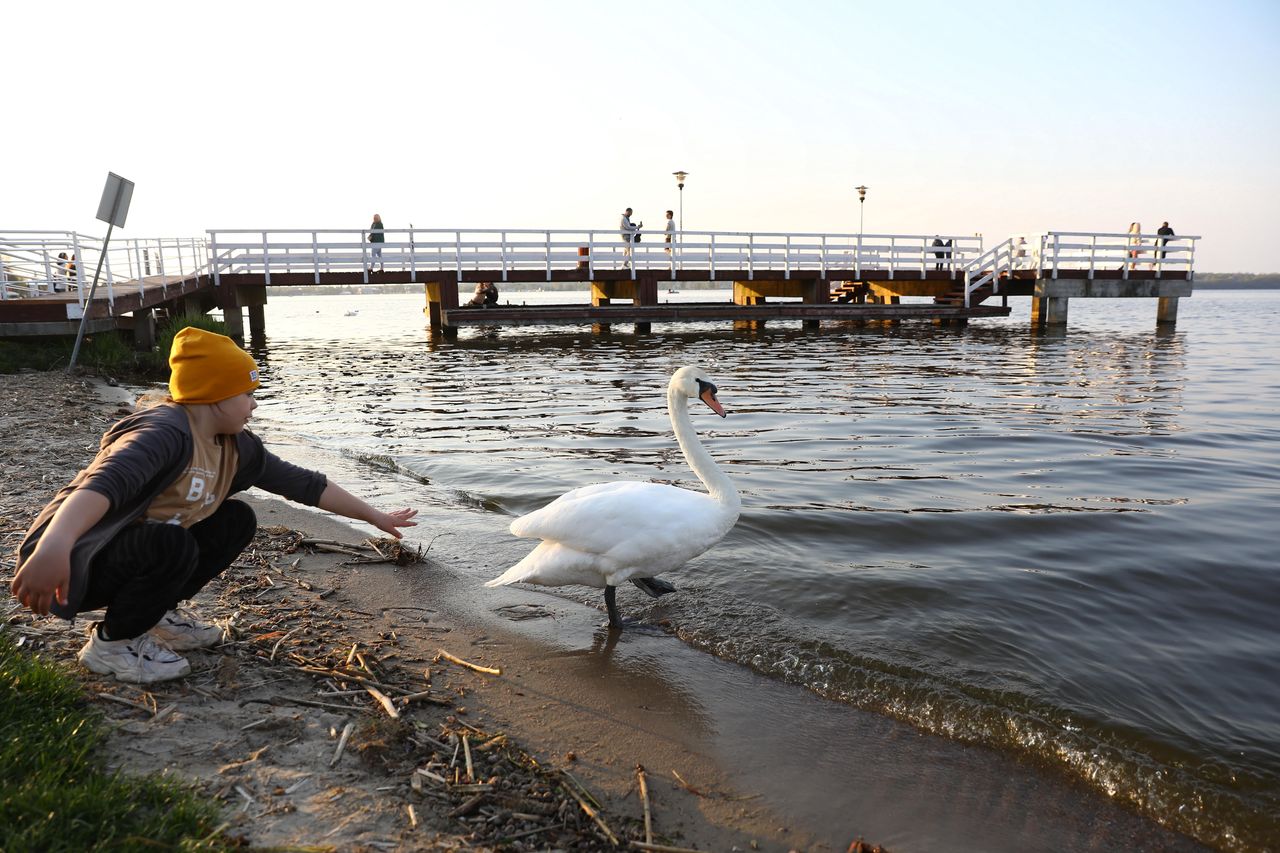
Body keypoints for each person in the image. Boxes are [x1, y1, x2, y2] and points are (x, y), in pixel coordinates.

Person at [10, 328, 418, 684]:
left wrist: (374, 516)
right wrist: (54, 548)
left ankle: (154, 616)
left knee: (236, 519)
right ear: (216, 396)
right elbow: (101, 486)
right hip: (69, 560)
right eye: (247, 394)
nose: (254, 405)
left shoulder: (235, 445)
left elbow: (305, 484)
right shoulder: (163, 433)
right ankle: (113, 645)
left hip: (124, 555)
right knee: (171, 544)